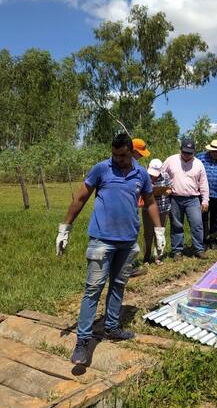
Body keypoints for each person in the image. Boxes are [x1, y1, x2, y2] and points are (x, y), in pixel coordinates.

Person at [55, 133, 166, 365]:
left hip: (127, 241)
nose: (117, 159)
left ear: (131, 153)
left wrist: (158, 231)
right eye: (114, 155)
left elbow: (151, 202)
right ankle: (83, 341)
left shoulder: (141, 174)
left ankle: (112, 327)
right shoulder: (101, 169)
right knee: (93, 289)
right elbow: (80, 198)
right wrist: (65, 227)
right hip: (101, 240)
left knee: (118, 285)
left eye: (122, 155)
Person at [161, 138, 209, 259]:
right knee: (176, 225)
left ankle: (198, 249)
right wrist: (164, 188)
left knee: (197, 224)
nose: (187, 155)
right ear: (180, 149)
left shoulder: (199, 164)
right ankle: (177, 251)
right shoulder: (170, 160)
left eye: (190, 153)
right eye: (185, 152)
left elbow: (203, 183)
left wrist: (205, 200)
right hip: (175, 198)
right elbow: (160, 174)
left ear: (194, 152)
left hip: (193, 199)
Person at [129, 138, 152, 278]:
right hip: (126, 209)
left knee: (130, 237)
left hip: (133, 208)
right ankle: (126, 268)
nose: (142, 155)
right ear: (133, 151)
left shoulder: (137, 167)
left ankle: (126, 266)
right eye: (140, 153)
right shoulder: (128, 166)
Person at [142, 159, 172, 265]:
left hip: (163, 208)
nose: (153, 176)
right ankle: (146, 257)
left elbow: (170, 188)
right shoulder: (144, 175)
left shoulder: (166, 176)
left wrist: (166, 191)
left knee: (160, 233)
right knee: (148, 234)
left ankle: (158, 257)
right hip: (148, 209)